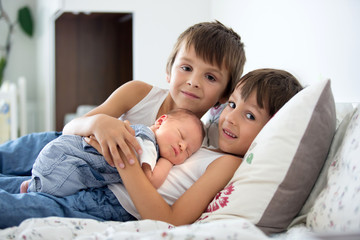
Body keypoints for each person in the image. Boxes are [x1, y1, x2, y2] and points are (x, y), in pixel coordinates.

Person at [0, 20, 246, 228]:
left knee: (25, 191)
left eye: (210, 77)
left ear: (224, 95)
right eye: (186, 67)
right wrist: (98, 123)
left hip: (92, 178)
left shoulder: (196, 144)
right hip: (75, 143)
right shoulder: (139, 92)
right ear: (169, 71)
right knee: (23, 150)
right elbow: (71, 128)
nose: (193, 81)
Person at [88, 68, 304, 224]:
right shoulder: (205, 144)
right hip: (102, 183)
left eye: (249, 115)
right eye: (232, 104)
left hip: (113, 202)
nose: (230, 118)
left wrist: (123, 157)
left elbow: (169, 219)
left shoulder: (228, 164)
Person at [20, 109, 204, 196]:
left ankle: (33, 183)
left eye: (187, 151)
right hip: (68, 160)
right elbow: (150, 181)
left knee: (57, 184)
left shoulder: (145, 139)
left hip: (59, 154)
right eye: (181, 136)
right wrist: (169, 163)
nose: (181, 146)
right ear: (161, 121)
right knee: (54, 191)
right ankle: (36, 186)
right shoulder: (147, 141)